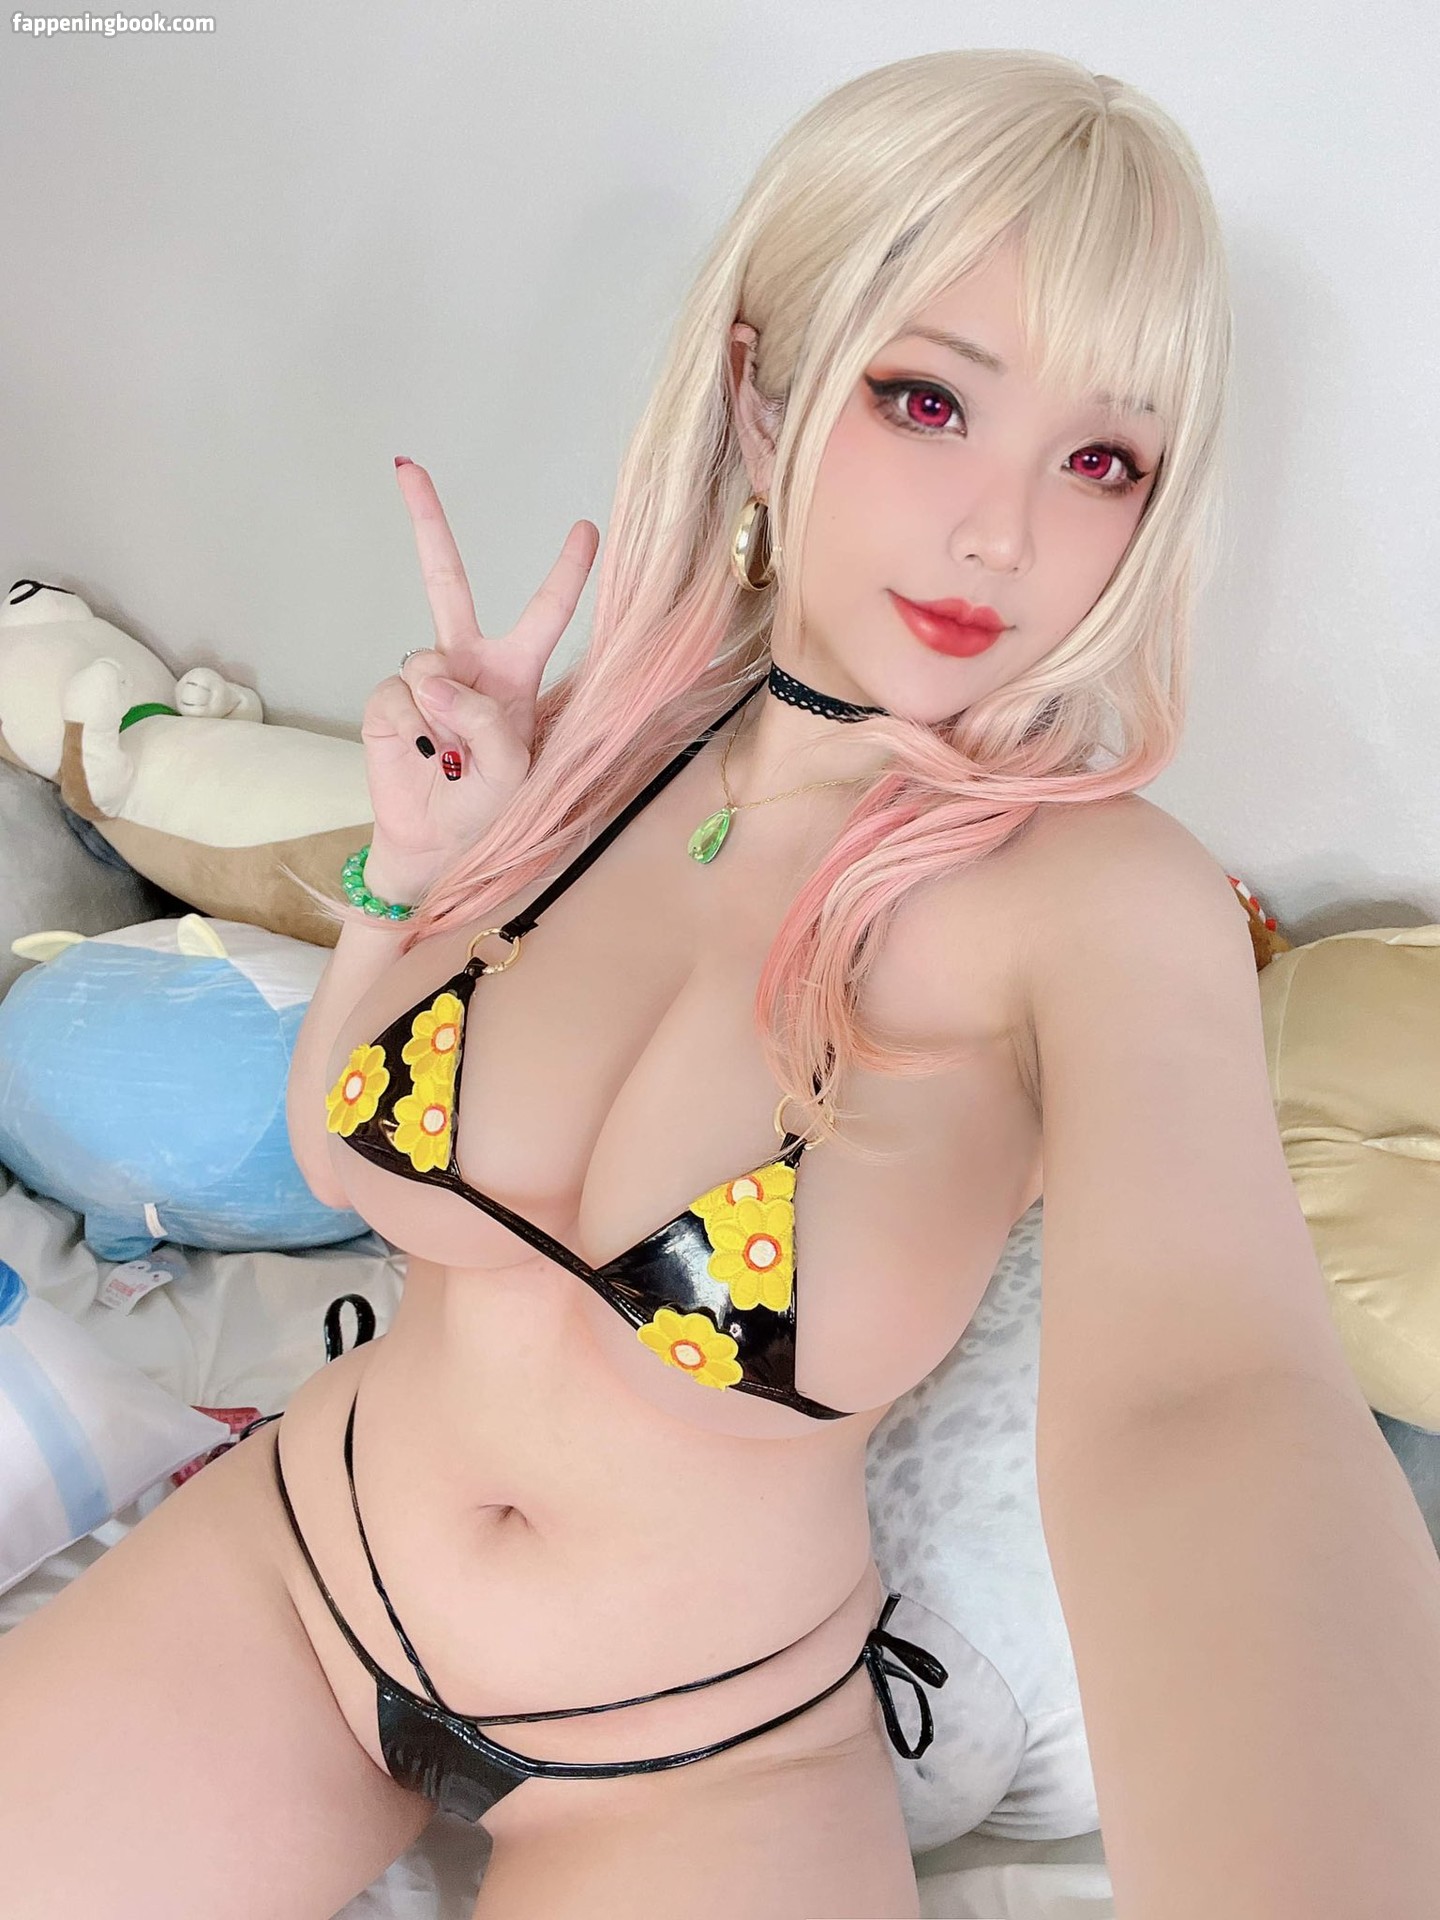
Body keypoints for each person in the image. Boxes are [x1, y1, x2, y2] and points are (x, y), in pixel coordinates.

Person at [8, 46, 1440, 1920]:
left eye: (1102, 459)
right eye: (929, 399)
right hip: (296, 1576)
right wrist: (411, 876)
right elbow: (351, 1153)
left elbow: (1214, 1406)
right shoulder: (608, 750)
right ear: (763, 402)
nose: (1003, 532)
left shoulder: (1098, 903)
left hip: (698, 1765)